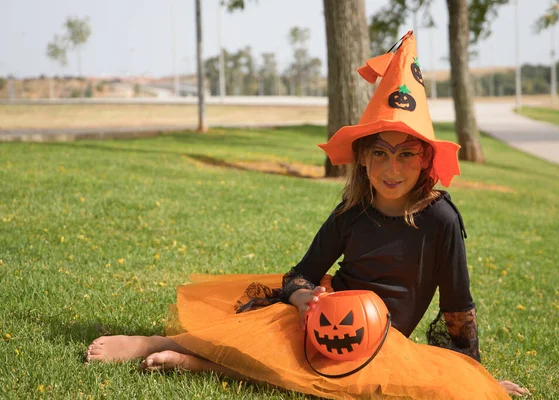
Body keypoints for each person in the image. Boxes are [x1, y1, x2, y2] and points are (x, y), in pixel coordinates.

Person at [86, 31, 529, 399]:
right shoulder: (352, 213)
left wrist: (473, 376)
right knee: (269, 340)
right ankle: (160, 343)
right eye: (380, 154)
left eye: (406, 155)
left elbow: (457, 308)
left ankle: (197, 364)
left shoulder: (441, 221)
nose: (392, 169)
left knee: (367, 386)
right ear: (362, 158)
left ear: (425, 161)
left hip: (384, 341)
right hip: (327, 317)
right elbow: (302, 274)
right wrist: (301, 300)